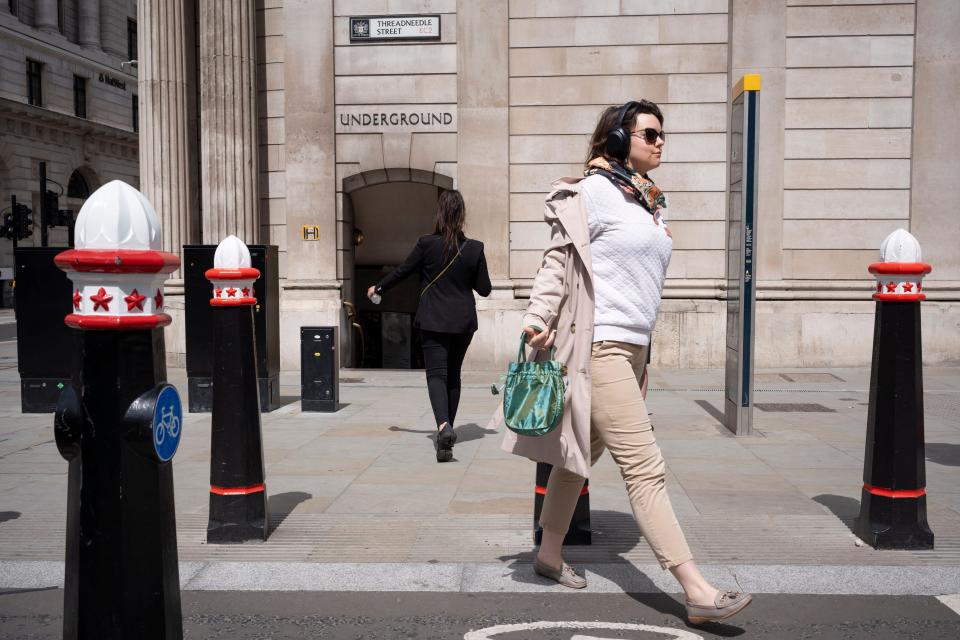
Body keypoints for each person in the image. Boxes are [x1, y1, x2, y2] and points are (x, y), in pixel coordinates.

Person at [498, 100, 752, 625]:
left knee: (578, 457)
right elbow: (557, 262)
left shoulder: (647, 200)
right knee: (645, 468)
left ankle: (547, 555)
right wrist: (537, 316)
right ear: (617, 139)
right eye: (650, 134)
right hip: (602, 347)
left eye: (664, 135)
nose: (661, 143)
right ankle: (696, 591)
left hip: (634, 350)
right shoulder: (591, 193)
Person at [369, 189, 492, 462]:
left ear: (440, 214)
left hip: (433, 320)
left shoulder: (426, 244)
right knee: (454, 374)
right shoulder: (474, 248)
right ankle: (445, 437)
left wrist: (379, 286)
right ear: (462, 216)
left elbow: (403, 271)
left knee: (436, 374)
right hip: (462, 322)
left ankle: (443, 426)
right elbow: (484, 289)